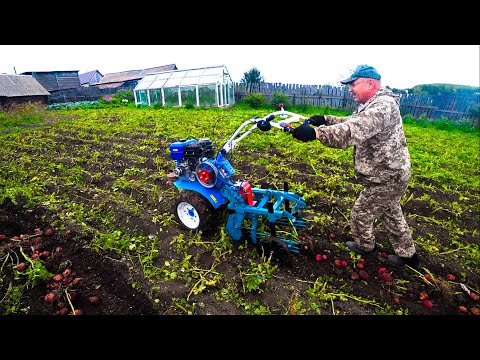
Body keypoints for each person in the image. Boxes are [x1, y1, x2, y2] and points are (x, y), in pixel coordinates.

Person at [291, 64, 420, 269]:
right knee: (390, 212)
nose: (350, 88)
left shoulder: (383, 106)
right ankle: (408, 255)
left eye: (353, 84)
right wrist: (325, 120)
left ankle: (366, 247)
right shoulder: (373, 104)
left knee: (361, 214)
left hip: (388, 176)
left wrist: (317, 133)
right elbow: (352, 120)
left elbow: (355, 129)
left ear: (370, 83)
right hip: (389, 173)